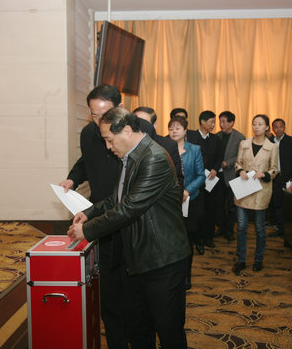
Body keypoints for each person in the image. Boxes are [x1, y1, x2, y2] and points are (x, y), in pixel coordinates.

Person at [60, 85, 180, 349]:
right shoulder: (130, 156)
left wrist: (87, 230)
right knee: (138, 326)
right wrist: (88, 212)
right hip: (138, 254)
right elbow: (116, 198)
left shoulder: (152, 158)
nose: (107, 146)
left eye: (109, 140)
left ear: (126, 130)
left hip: (161, 257)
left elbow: (128, 208)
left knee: (168, 330)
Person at [232, 114, 278, 274]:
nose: (256, 127)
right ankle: (241, 259)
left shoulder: (272, 147)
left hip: (261, 189)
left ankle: (258, 259)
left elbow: (275, 168)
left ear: (267, 127)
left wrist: (265, 174)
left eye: (260, 124)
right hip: (244, 187)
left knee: (259, 228)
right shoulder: (244, 144)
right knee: (241, 226)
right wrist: (240, 171)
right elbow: (238, 163)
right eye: (254, 124)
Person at [168, 116, 205, 289]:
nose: (174, 131)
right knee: (171, 240)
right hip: (169, 202)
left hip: (189, 201)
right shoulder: (164, 149)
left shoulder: (194, 149)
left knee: (187, 240)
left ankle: (186, 276)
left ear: (185, 131)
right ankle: (172, 276)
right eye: (171, 128)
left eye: (177, 128)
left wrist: (187, 190)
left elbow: (201, 175)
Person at [186, 111, 222, 252]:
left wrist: (215, 169)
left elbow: (219, 157)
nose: (213, 125)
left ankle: (208, 238)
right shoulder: (191, 137)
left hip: (211, 180)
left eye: (214, 122)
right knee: (197, 212)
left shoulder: (216, 139)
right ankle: (197, 240)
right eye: (211, 122)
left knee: (210, 209)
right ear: (202, 121)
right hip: (195, 181)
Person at [215, 111, 245, 241]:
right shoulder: (217, 136)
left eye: (224, 121)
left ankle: (229, 230)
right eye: (220, 121)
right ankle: (221, 227)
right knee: (219, 204)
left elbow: (241, 156)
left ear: (232, 122)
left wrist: (228, 162)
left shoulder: (240, 137)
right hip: (217, 175)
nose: (221, 124)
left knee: (231, 205)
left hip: (232, 175)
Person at [268, 118, 292, 237]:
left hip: (287, 177)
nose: (278, 129)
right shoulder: (269, 142)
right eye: (276, 127)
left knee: (286, 203)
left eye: (281, 126)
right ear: (272, 129)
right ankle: (279, 227)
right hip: (273, 177)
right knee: (276, 202)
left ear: (284, 127)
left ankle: (287, 229)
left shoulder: (291, 141)